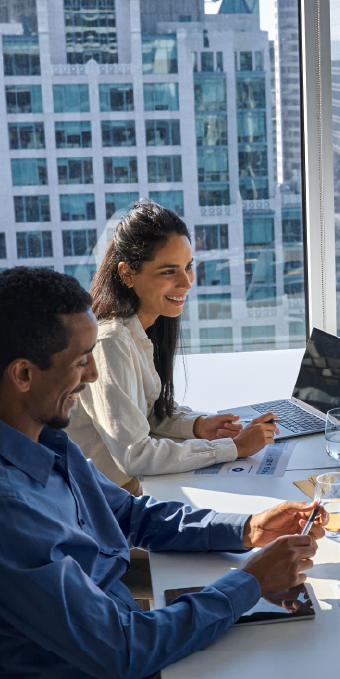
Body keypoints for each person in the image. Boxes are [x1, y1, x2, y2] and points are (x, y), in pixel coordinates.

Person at [0, 266, 323, 679]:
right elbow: (122, 649)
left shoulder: (45, 443)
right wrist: (249, 585)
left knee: (297, 665)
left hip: (120, 670)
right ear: (24, 374)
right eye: (81, 361)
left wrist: (244, 529)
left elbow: (133, 516)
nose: (94, 376)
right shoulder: (4, 509)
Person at [66, 201, 278, 492]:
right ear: (127, 274)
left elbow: (141, 415)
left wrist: (197, 425)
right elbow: (135, 454)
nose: (186, 282)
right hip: (97, 504)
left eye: (188, 267)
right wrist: (233, 448)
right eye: (169, 271)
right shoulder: (110, 342)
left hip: (121, 491)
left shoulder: (140, 328)